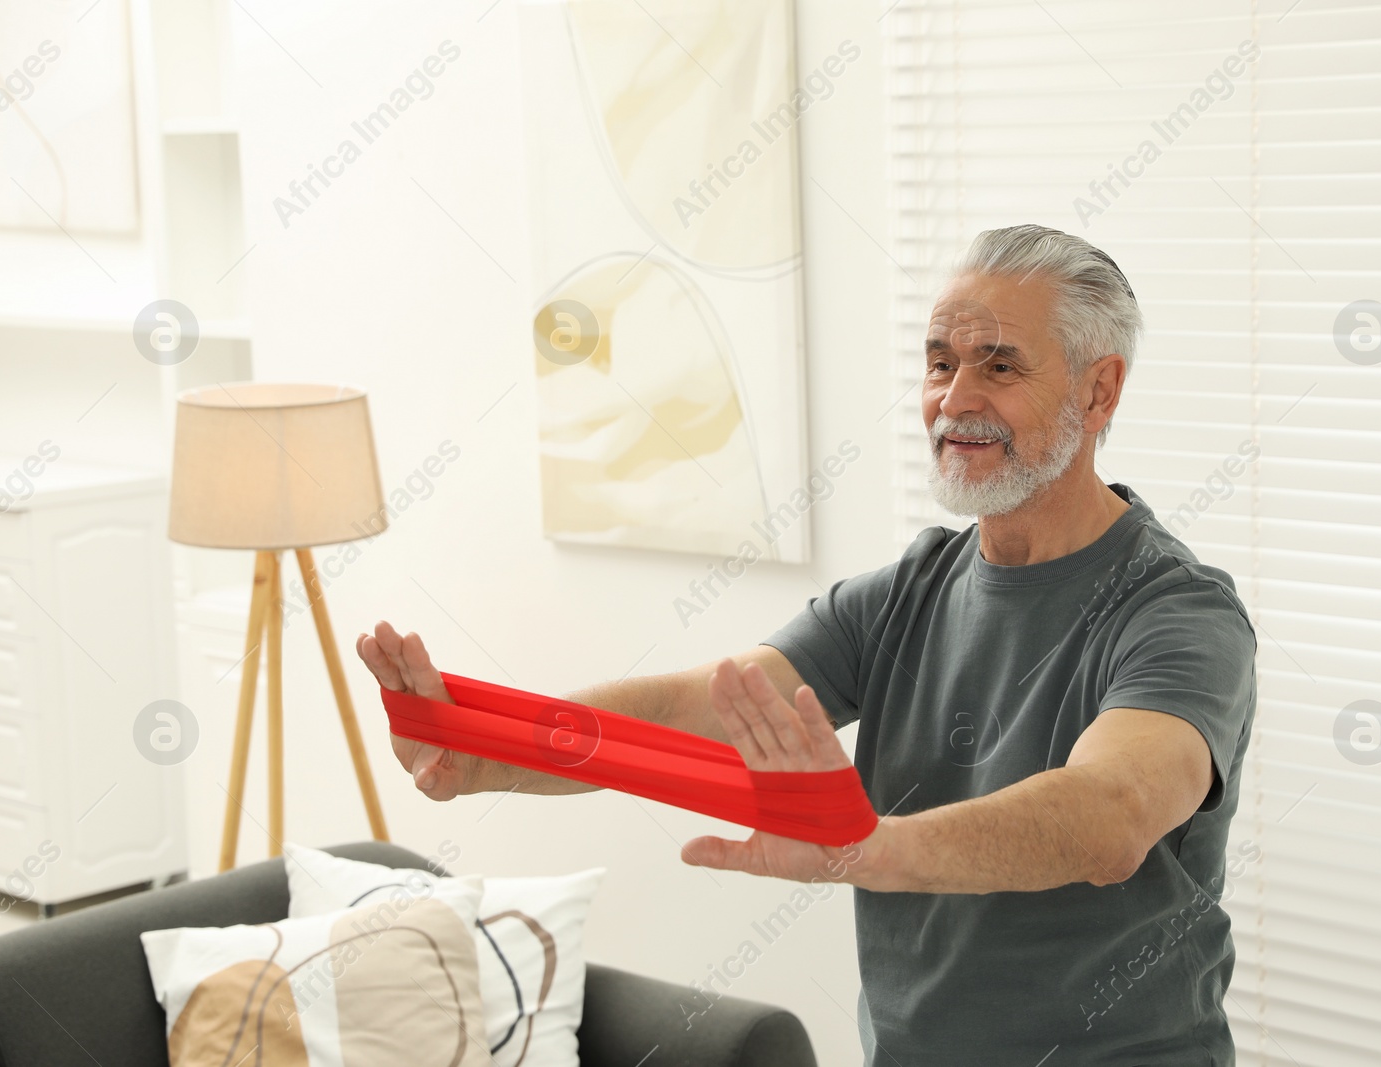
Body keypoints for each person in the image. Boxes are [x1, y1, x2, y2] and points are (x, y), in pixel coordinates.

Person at [357, 223, 1257, 1065]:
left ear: (1101, 389)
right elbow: (692, 708)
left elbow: (1111, 813)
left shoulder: (1177, 613)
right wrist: (482, 747)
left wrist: (869, 848)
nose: (954, 399)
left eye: (1000, 365)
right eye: (939, 363)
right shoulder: (907, 594)